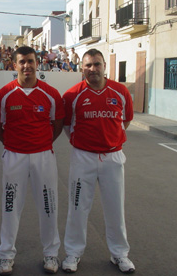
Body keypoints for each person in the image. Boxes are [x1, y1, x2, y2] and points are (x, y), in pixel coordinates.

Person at [0, 46, 64, 275]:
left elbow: (57, 126)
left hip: (44, 156)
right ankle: (6, 256)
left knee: (48, 206)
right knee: (10, 206)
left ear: (37, 63)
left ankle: (51, 254)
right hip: (14, 156)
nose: (27, 66)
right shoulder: (3, 95)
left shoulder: (51, 94)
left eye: (31, 61)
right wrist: (16, 144)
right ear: (14, 65)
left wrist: (39, 143)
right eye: (22, 62)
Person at [61, 48, 135, 274]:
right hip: (83, 157)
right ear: (81, 68)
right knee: (77, 207)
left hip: (113, 158)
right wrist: (84, 144)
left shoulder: (120, 91)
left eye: (97, 64)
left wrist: (110, 141)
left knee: (115, 208)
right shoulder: (72, 95)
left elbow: (126, 120)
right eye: (88, 65)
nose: (93, 69)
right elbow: (67, 126)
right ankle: (73, 253)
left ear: (104, 66)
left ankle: (120, 254)